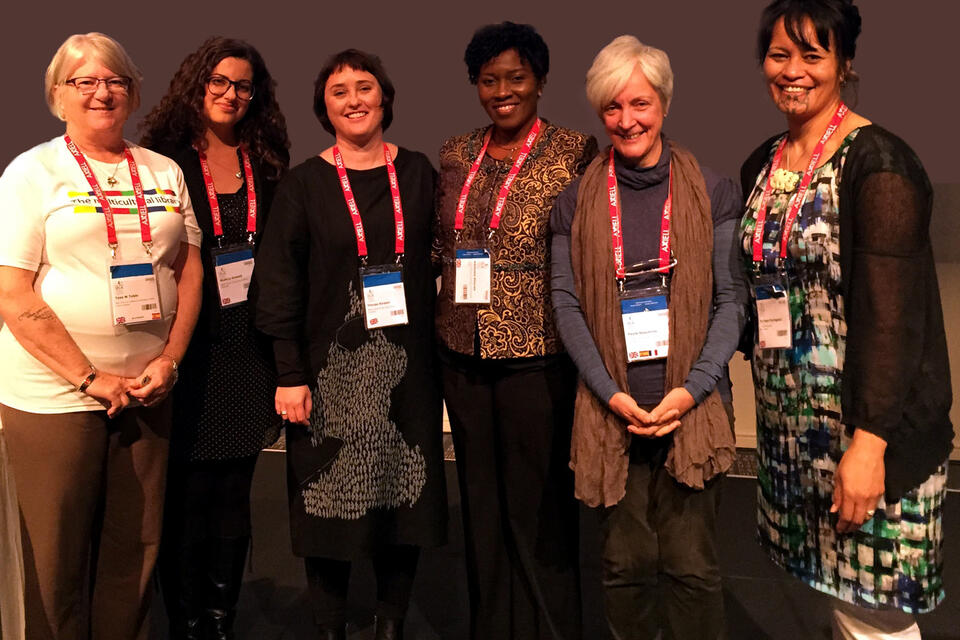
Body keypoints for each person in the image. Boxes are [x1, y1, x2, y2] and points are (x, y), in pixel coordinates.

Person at [740, 1, 954, 637]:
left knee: (876, 610)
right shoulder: (764, 162)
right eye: (781, 55)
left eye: (813, 55)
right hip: (791, 427)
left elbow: (896, 316)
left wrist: (871, 442)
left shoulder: (878, 162)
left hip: (863, 433)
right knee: (827, 597)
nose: (794, 71)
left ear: (844, 63)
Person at [0, 32, 203, 640]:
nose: (101, 92)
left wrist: (170, 359)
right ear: (58, 96)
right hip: (56, 396)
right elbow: (14, 294)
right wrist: (89, 377)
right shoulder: (32, 173)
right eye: (83, 81)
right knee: (57, 561)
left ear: (134, 92)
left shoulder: (162, 171)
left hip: (147, 389)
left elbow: (187, 271)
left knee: (134, 551)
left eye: (114, 80)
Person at [550, 35, 746, 640]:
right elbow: (567, 304)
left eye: (639, 103)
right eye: (612, 107)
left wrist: (690, 391)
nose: (626, 120)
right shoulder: (575, 201)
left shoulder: (712, 192)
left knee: (693, 571)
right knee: (624, 569)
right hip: (613, 413)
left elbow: (731, 301)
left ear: (663, 103)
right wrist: (611, 393)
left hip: (693, 409)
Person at [251, 49, 446, 640]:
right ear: (324, 107)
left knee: (402, 498)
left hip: (407, 367)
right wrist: (289, 374)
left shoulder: (417, 173)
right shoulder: (304, 185)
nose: (354, 99)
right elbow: (279, 281)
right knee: (326, 505)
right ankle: (329, 626)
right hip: (327, 369)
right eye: (340, 91)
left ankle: (391, 622)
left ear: (385, 98)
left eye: (365, 87)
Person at [433, 21, 597, 640]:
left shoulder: (576, 153)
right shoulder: (455, 152)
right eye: (489, 79)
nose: (502, 90)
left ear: (540, 81)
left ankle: (551, 628)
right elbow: (436, 246)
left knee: (541, 507)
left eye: (516, 77)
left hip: (538, 355)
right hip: (462, 353)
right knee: (481, 501)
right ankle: (491, 626)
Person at [139, 36, 290, 639]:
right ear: (198, 85)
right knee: (184, 496)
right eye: (219, 82)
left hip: (249, 351)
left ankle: (218, 623)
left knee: (234, 492)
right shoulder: (162, 162)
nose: (231, 95)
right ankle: (184, 620)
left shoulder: (268, 161)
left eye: (244, 85)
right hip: (185, 346)